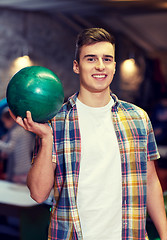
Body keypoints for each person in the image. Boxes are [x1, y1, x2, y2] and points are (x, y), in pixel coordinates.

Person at [10, 28, 167, 240]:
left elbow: (150, 181)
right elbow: (38, 194)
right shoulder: (55, 122)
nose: (100, 66)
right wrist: (46, 139)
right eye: (91, 59)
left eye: (107, 59)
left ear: (113, 66)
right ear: (77, 66)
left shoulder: (138, 118)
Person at [0, 108, 35, 183]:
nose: (5, 126)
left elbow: (10, 148)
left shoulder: (15, 131)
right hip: (28, 166)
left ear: (11, 119)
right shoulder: (24, 130)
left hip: (20, 168)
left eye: (5, 122)